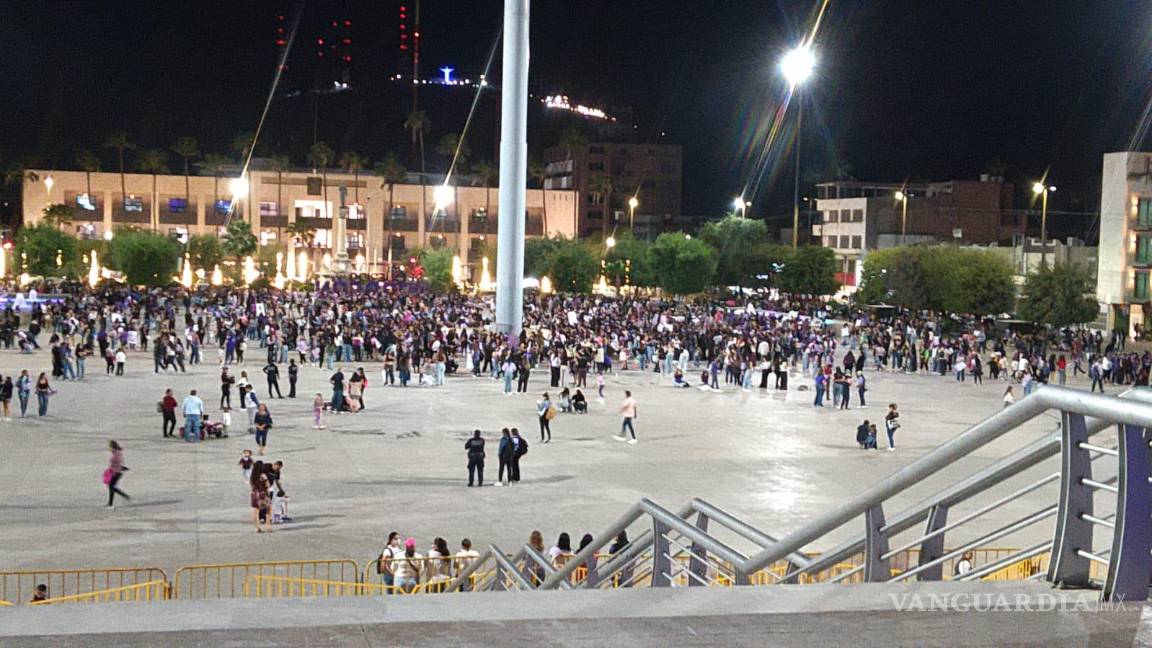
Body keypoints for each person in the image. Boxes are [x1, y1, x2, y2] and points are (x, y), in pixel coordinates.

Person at [105, 440, 130, 508]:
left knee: (111, 487)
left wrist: (119, 469)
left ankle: (111, 503)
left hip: (116, 472)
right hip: (115, 471)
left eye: (109, 447)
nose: (109, 449)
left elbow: (119, 463)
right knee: (111, 487)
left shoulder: (117, 454)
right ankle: (112, 502)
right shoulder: (115, 453)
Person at [249, 461, 272, 533]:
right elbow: (268, 485)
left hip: (254, 494)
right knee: (268, 509)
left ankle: (257, 527)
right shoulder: (263, 475)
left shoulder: (252, 476)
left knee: (256, 511)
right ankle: (268, 525)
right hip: (263, 493)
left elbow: (251, 485)